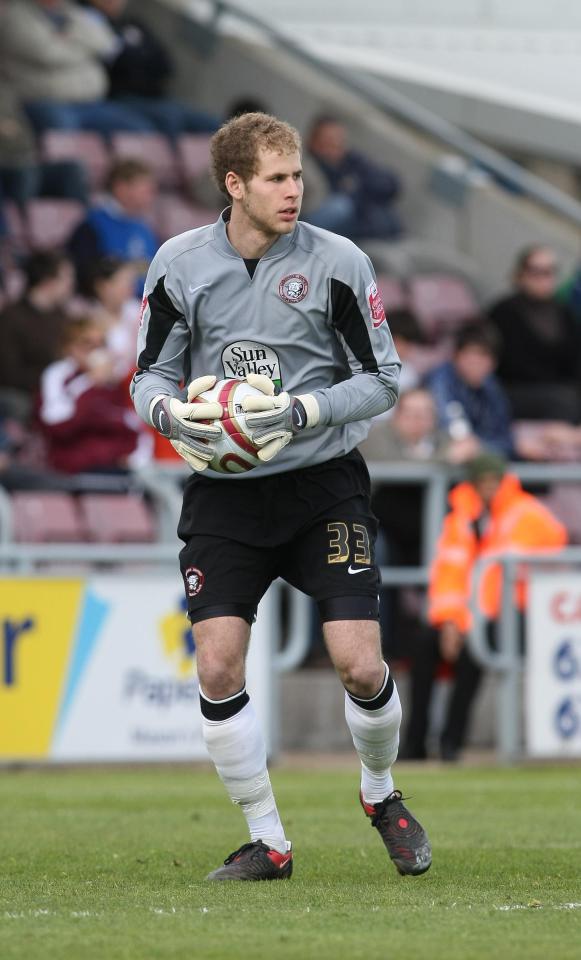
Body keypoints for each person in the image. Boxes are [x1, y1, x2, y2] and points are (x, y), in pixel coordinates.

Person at [131, 111, 431, 881]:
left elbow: (383, 379)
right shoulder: (178, 263)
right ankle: (269, 841)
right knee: (218, 667)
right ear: (234, 185)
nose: (293, 190)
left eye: (297, 175)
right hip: (226, 495)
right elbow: (149, 374)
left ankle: (379, 794)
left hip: (322, 487)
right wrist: (169, 415)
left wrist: (303, 410)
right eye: (276, 178)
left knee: (360, 667)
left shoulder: (339, 262)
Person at [406, 453, 567, 761]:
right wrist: (451, 622)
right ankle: (415, 743)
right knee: (424, 645)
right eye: (483, 482)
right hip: (469, 616)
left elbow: (496, 585)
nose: (489, 487)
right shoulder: (461, 519)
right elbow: (448, 576)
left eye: (494, 481)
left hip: (514, 615)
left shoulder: (528, 515)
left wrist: (463, 625)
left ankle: (451, 742)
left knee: (472, 655)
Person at [0, 0, 154, 137]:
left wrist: (67, 41)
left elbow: (106, 44)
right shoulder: (15, 14)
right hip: (46, 103)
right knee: (64, 140)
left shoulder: (74, 10)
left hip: (92, 104)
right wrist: (86, 49)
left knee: (140, 131)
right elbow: (48, 54)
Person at [80, 0, 221, 141]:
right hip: (123, 97)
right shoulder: (88, 22)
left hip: (158, 97)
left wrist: (134, 57)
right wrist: (141, 56)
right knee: (168, 119)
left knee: (216, 125)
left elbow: (165, 64)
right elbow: (119, 64)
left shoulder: (132, 24)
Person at [38, 314, 149, 473]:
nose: (95, 350)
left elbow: (136, 426)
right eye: (87, 344)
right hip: (72, 468)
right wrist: (90, 382)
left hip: (116, 466)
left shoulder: (117, 380)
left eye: (101, 344)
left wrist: (135, 460)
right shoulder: (58, 375)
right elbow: (57, 426)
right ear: (69, 347)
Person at [488, 245, 581, 423]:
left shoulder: (563, 312)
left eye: (549, 271)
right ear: (520, 274)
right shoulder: (503, 312)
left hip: (560, 388)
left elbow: (575, 357)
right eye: (536, 271)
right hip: (515, 390)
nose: (543, 278)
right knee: (565, 402)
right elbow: (507, 365)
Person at [0, 249, 75, 421]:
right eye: (66, 278)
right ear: (48, 282)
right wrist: (53, 378)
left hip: (62, 387)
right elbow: (9, 374)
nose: (71, 284)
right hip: (28, 394)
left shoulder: (62, 316)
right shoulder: (11, 319)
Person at [304, 114, 403, 240]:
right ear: (313, 142)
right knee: (341, 207)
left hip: (355, 224)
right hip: (310, 223)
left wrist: (359, 186)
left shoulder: (353, 162)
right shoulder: (305, 165)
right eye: (329, 140)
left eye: (339, 140)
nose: (335, 144)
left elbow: (390, 185)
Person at [67, 158, 159, 294]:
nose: (150, 194)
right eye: (144, 187)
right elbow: (86, 277)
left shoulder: (144, 228)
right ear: (120, 188)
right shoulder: (92, 227)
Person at [425, 323, 513, 459]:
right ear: (456, 356)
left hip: (480, 459)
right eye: (471, 355)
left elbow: (505, 439)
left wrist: (480, 446)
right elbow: (449, 429)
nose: (476, 363)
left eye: (484, 356)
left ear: (494, 362)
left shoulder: (492, 386)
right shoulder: (440, 380)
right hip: (441, 457)